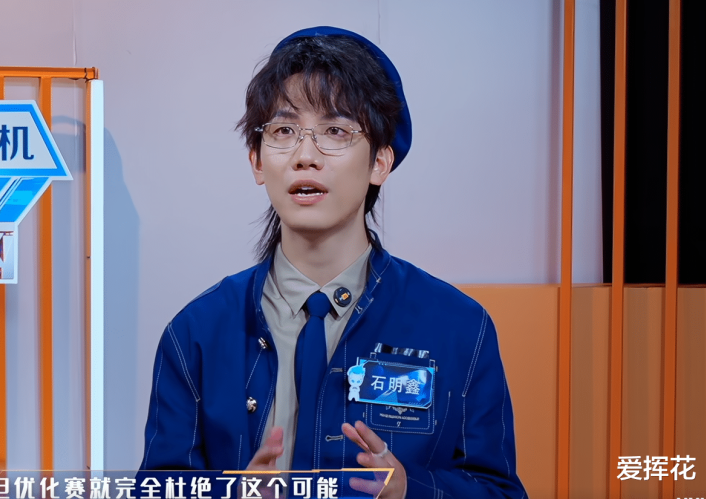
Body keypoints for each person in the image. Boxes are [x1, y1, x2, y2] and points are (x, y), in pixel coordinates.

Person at [141, 26, 527, 499]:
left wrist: (411, 490)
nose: (305, 156)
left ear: (380, 162)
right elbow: (156, 487)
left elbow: (499, 490)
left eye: (336, 131)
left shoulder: (460, 328)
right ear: (258, 161)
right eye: (284, 131)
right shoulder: (197, 332)